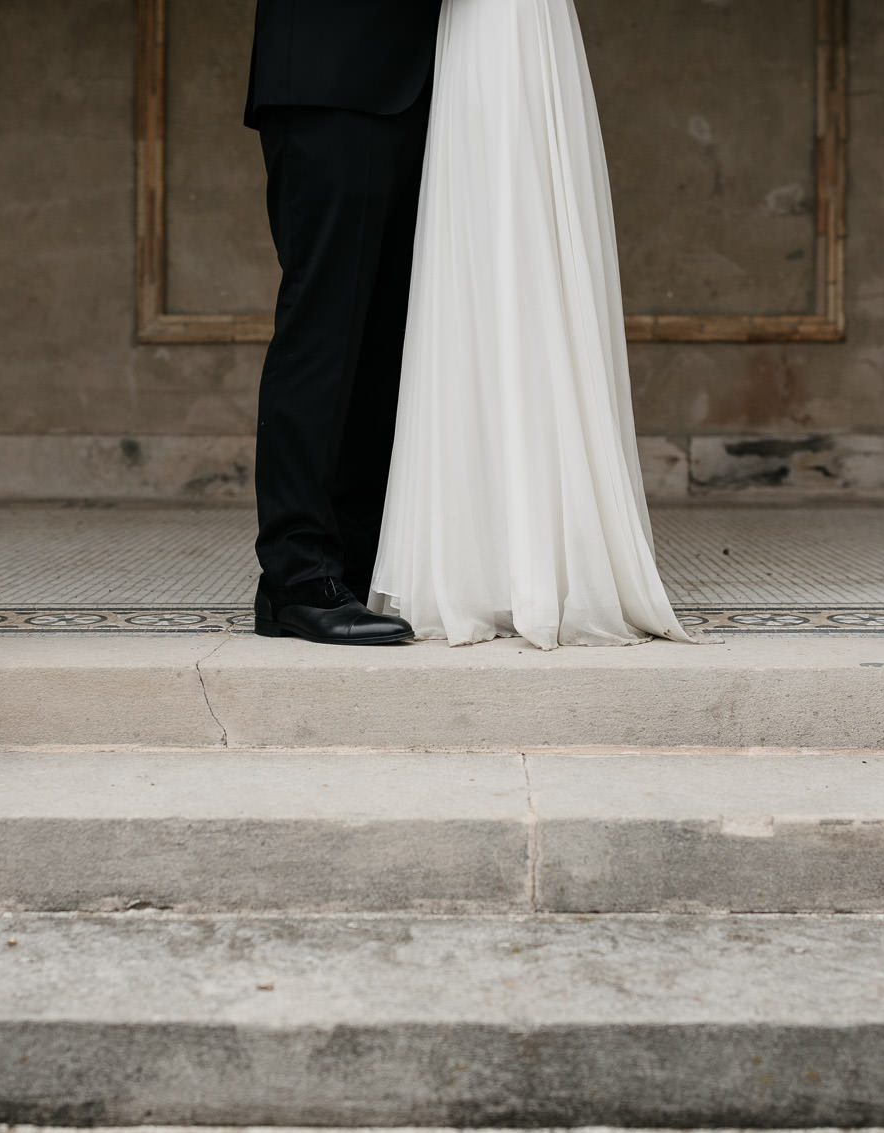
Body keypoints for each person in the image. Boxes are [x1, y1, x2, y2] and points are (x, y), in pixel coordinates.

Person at [369, 0, 695, 648]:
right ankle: (507, 557)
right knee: (486, 261)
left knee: (519, 247)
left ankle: (515, 563)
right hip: (480, 37)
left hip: (505, 32)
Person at [244, 0, 443, 645]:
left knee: (387, 343)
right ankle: (295, 578)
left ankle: (352, 565)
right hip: (335, 77)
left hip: (422, 87)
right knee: (325, 332)